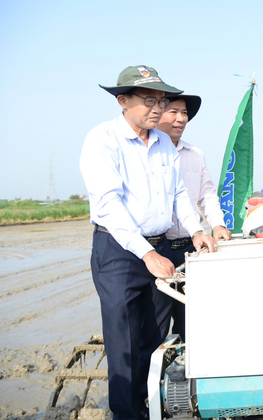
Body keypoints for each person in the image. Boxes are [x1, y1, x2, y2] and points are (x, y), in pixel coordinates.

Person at [79, 65, 218, 420]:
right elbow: (108, 205)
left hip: (157, 247)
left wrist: (197, 229)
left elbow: (179, 196)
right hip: (120, 252)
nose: (157, 108)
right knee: (123, 341)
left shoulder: (161, 143)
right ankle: (126, 413)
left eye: (161, 100)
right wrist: (146, 253)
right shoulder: (102, 140)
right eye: (149, 101)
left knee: (153, 335)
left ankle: (147, 402)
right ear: (123, 101)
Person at [156, 92, 232, 340]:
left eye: (185, 113)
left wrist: (218, 224)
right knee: (156, 318)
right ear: (157, 113)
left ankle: (186, 370)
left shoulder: (194, 154)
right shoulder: (149, 153)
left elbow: (207, 195)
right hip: (159, 248)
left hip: (190, 247)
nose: (180, 119)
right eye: (173, 112)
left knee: (191, 317)